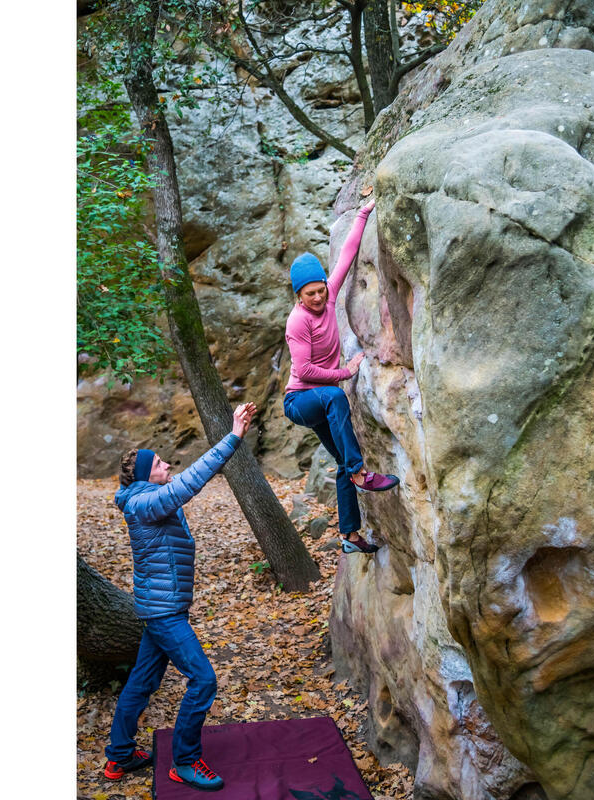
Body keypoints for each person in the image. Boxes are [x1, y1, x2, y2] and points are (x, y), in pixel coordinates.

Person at [102, 402, 256, 792]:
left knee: (140, 683)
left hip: (161, 608)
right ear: (143, 475)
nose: (167, 466)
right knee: (203, 680)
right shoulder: (144, 503)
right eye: (159, 464)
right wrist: (233, 437)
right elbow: (189, 483)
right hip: (165, 613)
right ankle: (185, 761)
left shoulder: (145, 499)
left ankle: (119, 756)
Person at [283, 199, 398, 555]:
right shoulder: (298, 321)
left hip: (323, 399)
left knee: (342, 461)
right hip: (300, 401)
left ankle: (349, 536)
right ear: (299, 295)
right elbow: (303, 371)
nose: (318, 297)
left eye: (320, 290)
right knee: (335, 398)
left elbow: (347, 257)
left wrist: (363, 214)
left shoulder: (329, 295)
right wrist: (344, 372)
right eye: (310, 294)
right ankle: (361, 474)